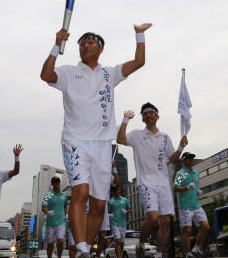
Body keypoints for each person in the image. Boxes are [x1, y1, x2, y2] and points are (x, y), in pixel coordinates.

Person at [41, 23, 152, 258]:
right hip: (75, 141)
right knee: (80, 192)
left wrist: (139, 34)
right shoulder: (69, 72)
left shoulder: (109, 73)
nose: (86, 45)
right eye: (82, 43)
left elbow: (139, 61)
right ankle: (80, 245)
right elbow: (46, 75)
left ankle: (85, 250)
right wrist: (55, 44)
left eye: (91, 42)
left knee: (99, 206)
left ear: (101, 49)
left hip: (102, 144)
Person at [116, 103, 188, 258]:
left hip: (163, 183)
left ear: (157, 116)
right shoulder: (136, 135)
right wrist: (125, 120)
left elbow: (172, 158)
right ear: (143, 119)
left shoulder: (165, 137)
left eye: (151, 113)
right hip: (146, 182)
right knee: (153, 217)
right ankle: (141, 243)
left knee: (166, 221)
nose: (148, 115)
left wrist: (181, 147)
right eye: (145, 114)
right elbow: (120, 139)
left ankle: (159, 254)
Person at [174, 152, 209, 258]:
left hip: (196, 205)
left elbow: (194, 187)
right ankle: (188, 254)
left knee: (206, 227)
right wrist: (186, 188)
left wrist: (198, 191)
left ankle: (196, 249)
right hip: (185, 206)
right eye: (188, 158)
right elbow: (176, 188)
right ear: (183, 161)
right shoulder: (180, 173)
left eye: (192, 158)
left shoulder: (196, 173)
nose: (191, 159)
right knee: (188, 231)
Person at [92, 160, 120, 258]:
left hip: (104, 206)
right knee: (90, 234)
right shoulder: (92, 173)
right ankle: (88, 253)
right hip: (91, 205)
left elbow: (116, 182)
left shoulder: (107, 175)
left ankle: (98, 256)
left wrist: (113, 167)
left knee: (102, 235)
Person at [42, 177, 69, 258]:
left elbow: (65, 207)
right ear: (52, 184)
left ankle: (59, 256)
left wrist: (67, 215)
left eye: (58, 181)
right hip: (51, 223)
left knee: (61, 241)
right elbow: (43, 207)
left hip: (61, 222)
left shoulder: (64, 195)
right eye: (54, 181)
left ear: (60, 183)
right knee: (50, 243)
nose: (56, 183)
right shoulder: (48, 195)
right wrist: (48, 212)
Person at [107, 186, 131, 258]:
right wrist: (108, 215)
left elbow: (129, 208)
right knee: (118, 240)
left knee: (122, 243)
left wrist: (126, 211)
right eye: (113, 190)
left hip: (123, 223)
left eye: (115, 190)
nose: (114, 192)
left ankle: (118, 255)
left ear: (119, 190)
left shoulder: (125, 200)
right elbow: (107, 211)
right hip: (114, 223)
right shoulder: (110, 201)